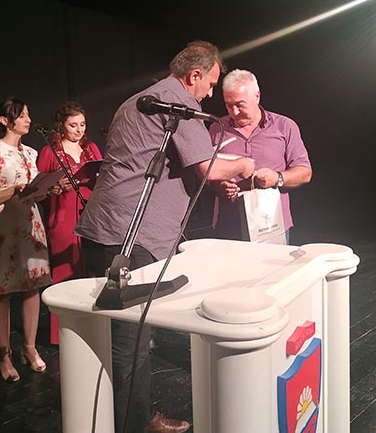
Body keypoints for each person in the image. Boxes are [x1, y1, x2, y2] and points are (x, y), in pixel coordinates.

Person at [76, 40, 254, 433]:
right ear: (194, 75)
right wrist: (244, 163)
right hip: (132, 235)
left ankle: (131, 418)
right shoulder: (176, 103)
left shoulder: (139, 100)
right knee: (130, 342)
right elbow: (208, 168)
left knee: (122, 337)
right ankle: (132, 426)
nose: (210, 94)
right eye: (210, 84)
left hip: (104, 229)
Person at [0, 97, 58, 382]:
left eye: (27, 115)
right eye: (22, 116)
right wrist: (14, 189)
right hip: (5, 225)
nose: (28, 120)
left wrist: (47, 189)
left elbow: (34, 190)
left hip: (29, 222)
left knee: (32, 286)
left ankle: (29, 347)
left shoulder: (30, 152)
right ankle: (4, 354)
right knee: (3, 291)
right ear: (5, 121)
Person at [208, 69, 312, 244]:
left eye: (240, 104)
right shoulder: (217, 129)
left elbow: (305, 172)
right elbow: (205, 172)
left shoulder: (284, 126)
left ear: (257, 96)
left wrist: (277, 178)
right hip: (228, 224)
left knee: (274, 263)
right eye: (228, 105)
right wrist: (218, 185)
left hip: (271, 225)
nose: (234, 111)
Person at [37, 101, 103, 345]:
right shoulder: (50, 152)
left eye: (82, 124)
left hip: (90, 211)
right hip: (63, 215)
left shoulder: (91, 148)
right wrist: (57, 186)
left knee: (92, 268)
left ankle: (94, 325)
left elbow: (103, 175)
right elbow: (39, 188)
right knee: (66, 270)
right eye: (73, 125)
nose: (79, 130)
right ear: (62, 126)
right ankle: (64, 333)